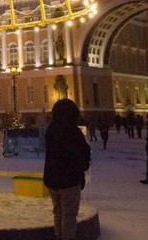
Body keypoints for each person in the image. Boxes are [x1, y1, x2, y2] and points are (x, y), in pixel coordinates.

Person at [43, 99, 91, 240]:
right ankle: (67, 237)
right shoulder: (73, 132)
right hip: (69, 179)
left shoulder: (51, 129)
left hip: (53, 178)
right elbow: (80, 157)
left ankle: (59, 235)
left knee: (58, 211)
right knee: (69, 214)